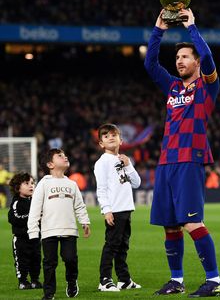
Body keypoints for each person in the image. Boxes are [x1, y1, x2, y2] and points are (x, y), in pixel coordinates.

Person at [144, 9, 220, 297]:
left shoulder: (207, 88)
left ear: (197, 61)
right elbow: (151, 64)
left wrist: (192, 28)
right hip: (166, 161)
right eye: (177, 58)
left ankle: (214, 281)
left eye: (185, 57)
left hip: (190, 159)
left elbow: (211, 60)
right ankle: (176, 281)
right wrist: (159, 29)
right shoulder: (172, 87)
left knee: (192, 222)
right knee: (170, 225)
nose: (179, 61)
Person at [27, 148, 91, 300]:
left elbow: (79, 205)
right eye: (60, 156)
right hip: (49, 230)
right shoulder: (43, 184)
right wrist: (33, 232)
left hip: (69, 229)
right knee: (49, 263)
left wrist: (84, 222)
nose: (65, 157)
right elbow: (35, 209)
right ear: (50, 164)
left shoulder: (72, 184)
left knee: (70, 259)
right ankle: (49, 293)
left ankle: (71, 281)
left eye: (65, 155)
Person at [94, 123, 141, 292]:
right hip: (115, 210)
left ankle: (124, 279)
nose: (110, 137)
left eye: (114, 135)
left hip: (126, 209)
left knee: (123, 246)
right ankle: (105, 280)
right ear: (101, 144)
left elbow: (137, 183)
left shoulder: (123, 160)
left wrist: (128, 164)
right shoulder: (102, 162)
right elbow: (101, 188)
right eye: (106, 136)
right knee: (112, 245)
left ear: (121, 140)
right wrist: (106, 210)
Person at [8, 172, 42, 290]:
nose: (31, 186)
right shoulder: (17, 203)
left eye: (32, 183)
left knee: (36, 260)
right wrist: (31, 217)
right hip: (21, 238)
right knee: (22, 261)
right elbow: (13, 218)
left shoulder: (36, 201)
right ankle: (22, 281)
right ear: (17, 187)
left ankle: (35, 280)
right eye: (26, 183)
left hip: (35, 237)